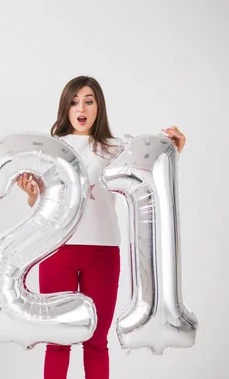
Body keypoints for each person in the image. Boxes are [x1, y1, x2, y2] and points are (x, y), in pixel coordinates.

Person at [16, 76, 186, 379]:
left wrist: (173, 149)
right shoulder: (51, 148)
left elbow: (148, 174)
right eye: (74, 101)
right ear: (66, 108)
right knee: (58, 341)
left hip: (103, 252)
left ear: (98, 107)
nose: (81, 108)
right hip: (57, 251)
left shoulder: (116, 148)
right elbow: (41, 201)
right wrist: (31, 192)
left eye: (89, 100)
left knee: (96, 342)